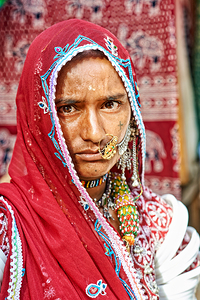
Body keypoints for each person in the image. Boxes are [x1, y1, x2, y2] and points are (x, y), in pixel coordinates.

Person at [0, 19, 199, 300]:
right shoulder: (8, 229)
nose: (94, 133)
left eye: (110, 104)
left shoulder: (160, 228)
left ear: (132, 112)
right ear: (37, 116)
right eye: (68, 108)